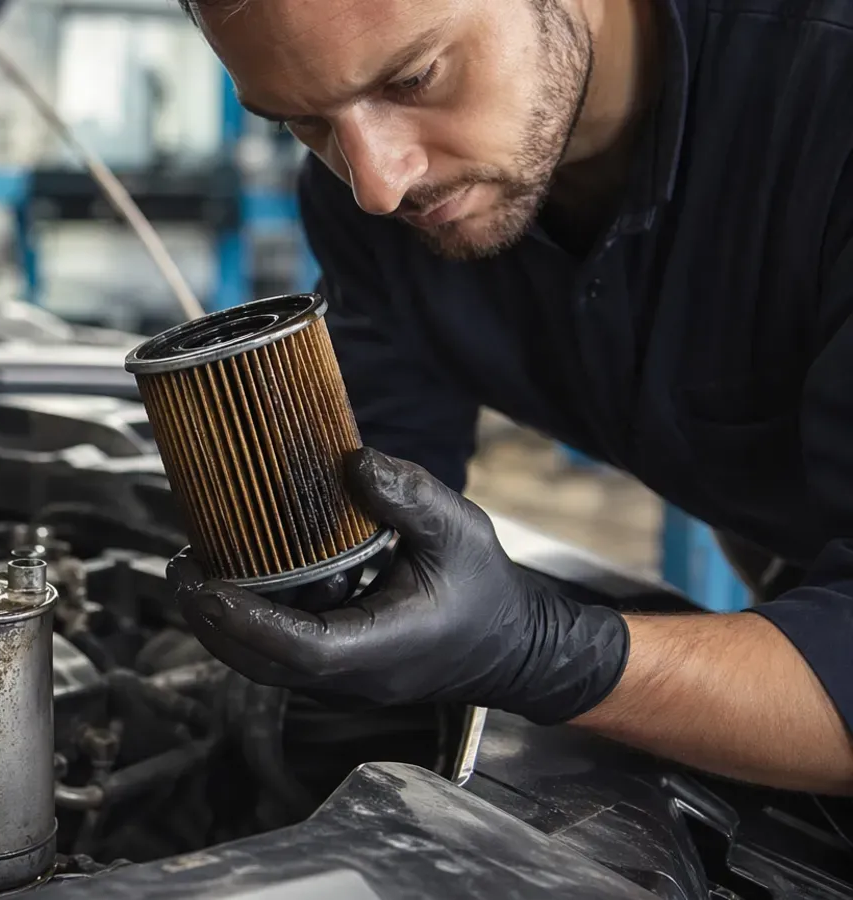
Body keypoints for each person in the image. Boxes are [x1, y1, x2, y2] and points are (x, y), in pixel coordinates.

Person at [168, 0, 853, 796]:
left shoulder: (828, 108)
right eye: (301, 123)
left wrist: (543, 651)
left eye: (414, 77)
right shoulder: (372, 210)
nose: (378, 183)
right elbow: (380, 500)